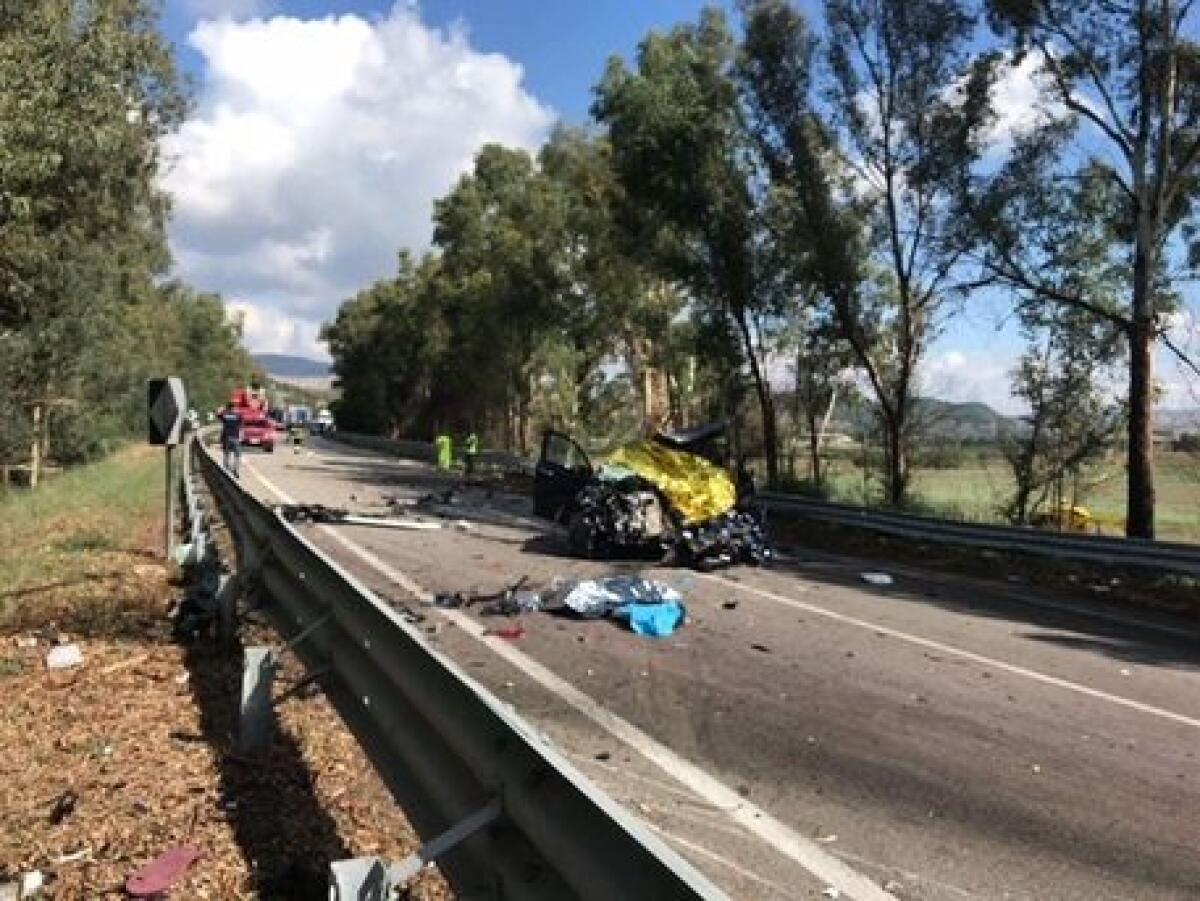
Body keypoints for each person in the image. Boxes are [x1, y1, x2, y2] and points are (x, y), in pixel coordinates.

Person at [219, 405, 243, 477]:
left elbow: (218, 415)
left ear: (228, 409)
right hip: (235, 437)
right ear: (234, 408)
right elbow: (241, 425)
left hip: (226, 438)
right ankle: (236, 470)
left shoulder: (225, 415)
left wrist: (221, 410)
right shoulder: (238, 416)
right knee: (237, 454)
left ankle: (226, 470)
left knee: (226, 454)